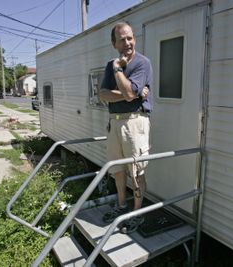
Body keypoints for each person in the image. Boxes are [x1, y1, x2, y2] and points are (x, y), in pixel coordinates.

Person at [99, 22, 153, 234]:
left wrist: (121, 74)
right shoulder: (110, 65)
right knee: (117, 170)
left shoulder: (142, 63)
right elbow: (102, 95)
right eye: (122, 39)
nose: (128, 42)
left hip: (134, 122)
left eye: (130, 37)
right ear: (114, 43)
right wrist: (132, 92)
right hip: (114, 121)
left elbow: (130, 93)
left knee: (136, 171)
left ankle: (137, 214)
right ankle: (122, 207)